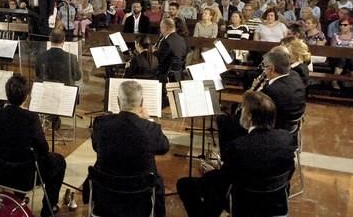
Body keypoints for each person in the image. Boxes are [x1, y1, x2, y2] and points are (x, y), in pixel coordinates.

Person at [178, 91, 295, 217]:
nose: (240, 113)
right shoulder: (287, 138)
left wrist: (211, 171)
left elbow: (224, 181)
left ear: (249, 117)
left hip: (245, 206)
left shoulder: (238, 146)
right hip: (277, 205)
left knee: (185, 185)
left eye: (242, 109)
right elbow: (289, 171)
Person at [0, 76, 66, 217]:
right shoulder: (31, 118)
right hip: (25, 176)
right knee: (59, 161)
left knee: (17, 152)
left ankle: (20, 197)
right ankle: (48, 209)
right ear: (26, 97)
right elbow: (44, 149)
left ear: (7, 94)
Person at [89, 80, 169, 217]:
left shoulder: (100, 123)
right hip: (140, 197)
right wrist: (148, 120)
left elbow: (96, 147)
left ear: (118, 101)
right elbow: (164, 147)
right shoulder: (150, 129)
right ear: (142, 102)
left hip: (106, 195)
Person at [330, 17, 353, 90]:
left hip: (352, 59)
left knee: (352, 59)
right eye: (341, 25)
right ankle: (334, 81)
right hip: (337, 59)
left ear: (350, 26)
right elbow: (332, 49)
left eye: (345, 25)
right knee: (342, 59)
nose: (342, 27)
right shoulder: (335, 36)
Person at [155, 18, 189, 83]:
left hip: (166, 74)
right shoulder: (182, 39)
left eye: (161, 28)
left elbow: (158, 59)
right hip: (179, 73)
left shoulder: (166, 41)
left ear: (164, 28)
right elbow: (184, 55)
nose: (160, 30)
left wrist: (154, 52)